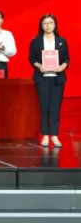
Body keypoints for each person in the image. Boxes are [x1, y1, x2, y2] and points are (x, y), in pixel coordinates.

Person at [29, 14, 70, 148]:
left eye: (50, 23)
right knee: (44, 107)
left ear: (55, 25)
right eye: (45, 23)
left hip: (58, 78)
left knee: (55, 107)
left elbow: (67, 58)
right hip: (42, 78)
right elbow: (31, 58)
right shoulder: (36, 41)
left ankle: (54, 136)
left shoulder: (61, 40)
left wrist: (63, 66)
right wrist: (39, 65)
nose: (48, 25)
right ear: (41, 26)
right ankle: (45, 136)